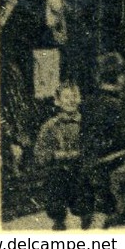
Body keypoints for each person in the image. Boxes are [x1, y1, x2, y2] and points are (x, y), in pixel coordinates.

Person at [81, 52, 125, 226]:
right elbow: (121, 138)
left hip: (89, 163)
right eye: (124, 74)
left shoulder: (90, 101)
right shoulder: (114, 104)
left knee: (98, 215)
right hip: (106, 165)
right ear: (117, 76)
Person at [35, 81, 87, 230]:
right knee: (56, 199)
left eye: (75, 96)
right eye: (66, 97)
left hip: (81, 172)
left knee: (85, 205)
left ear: (80, 99)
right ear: (57, 101)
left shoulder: (86, 123)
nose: (71, 100)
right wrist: (55, 155)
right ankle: (59, 225)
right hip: (59, 174)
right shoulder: (50, 126)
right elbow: (39, 154)